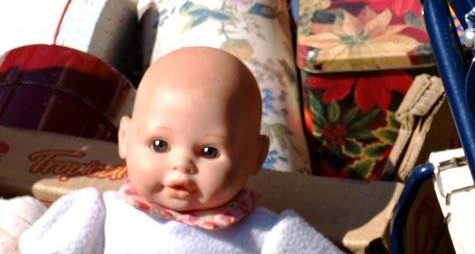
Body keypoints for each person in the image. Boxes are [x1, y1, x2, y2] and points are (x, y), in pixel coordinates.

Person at [20, 47, 339, 253]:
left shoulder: (267, 235)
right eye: (159, 145)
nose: (182, 164)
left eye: (209, 151)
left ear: (255, 157)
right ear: (125, 138)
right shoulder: (98, 213)